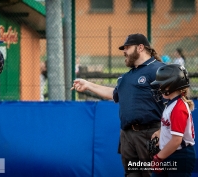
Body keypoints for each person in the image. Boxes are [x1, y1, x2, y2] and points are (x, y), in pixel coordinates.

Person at [71, 33, 166, 177]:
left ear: (140, 48)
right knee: (132, 174)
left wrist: (163, 129)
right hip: (127, 135)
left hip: (150, 133)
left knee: (153, 174)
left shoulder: (159, 69)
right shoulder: (126, 77)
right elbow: (114, 94)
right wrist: (88, 84)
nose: (124, 51)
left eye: (127, 47)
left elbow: (176, 99)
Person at [150, 64, 195, 177]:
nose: (159, 88)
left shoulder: (178, 107)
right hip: (169, 153)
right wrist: (160, 133)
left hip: (180, 156)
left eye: (161, 84)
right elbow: (170, 126)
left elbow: (176, 141)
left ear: (171, 84)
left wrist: (158, 157)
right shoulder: (171, 103)